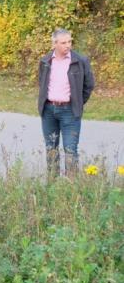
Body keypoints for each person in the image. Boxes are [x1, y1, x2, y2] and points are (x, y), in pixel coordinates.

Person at [37, 28, 95, 178]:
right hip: (49, 111)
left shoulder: (80, 61)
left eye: (69, 41)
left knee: (70, 151)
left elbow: (88, 85)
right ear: (54, 44)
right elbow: (42, 83)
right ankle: (52, 187)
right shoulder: (45, 61)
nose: (67, 45)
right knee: (51, 150)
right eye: (63, 42)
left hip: (69, 111)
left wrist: (77, 102)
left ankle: (71, 190)